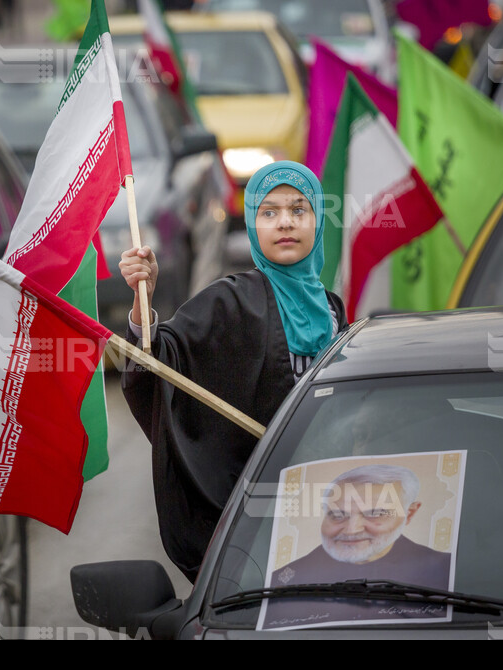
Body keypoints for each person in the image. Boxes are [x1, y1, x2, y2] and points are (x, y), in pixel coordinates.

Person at [120, 161, 347, 583]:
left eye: (299, 210)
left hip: (330, 507)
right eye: (269, 211)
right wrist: (141, 297)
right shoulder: (230, 301)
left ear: (318, 219)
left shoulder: (332, 309)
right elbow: (159, 361)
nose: (285, 222)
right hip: (258, 517)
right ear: (253, 224)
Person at [262, 464, 452, 628]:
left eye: (375, 513)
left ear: (409, 513)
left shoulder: (444, 571)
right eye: (337, 514)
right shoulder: (285, 580)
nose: (351, 530)